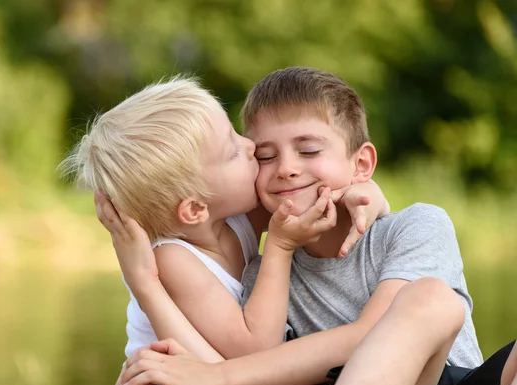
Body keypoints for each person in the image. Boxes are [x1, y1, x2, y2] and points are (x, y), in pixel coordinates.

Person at [108, 67, 517, 385]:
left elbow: (372, 334)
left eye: (308, 150)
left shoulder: (418, 225)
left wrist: (368, 192)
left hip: (452, 379)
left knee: (433, 298)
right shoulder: (263, 277)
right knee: (432, 298)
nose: (286, 168)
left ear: (360, 164)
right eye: (264, 156)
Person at [61, 76, 388, 365]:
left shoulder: (230, 219)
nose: (250, 146)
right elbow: (256, 349)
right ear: (194, 209)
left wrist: (368, 192)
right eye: (232, 151)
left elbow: (311, 194)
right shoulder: (173, 259)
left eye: (237, 134)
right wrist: (279, 246)